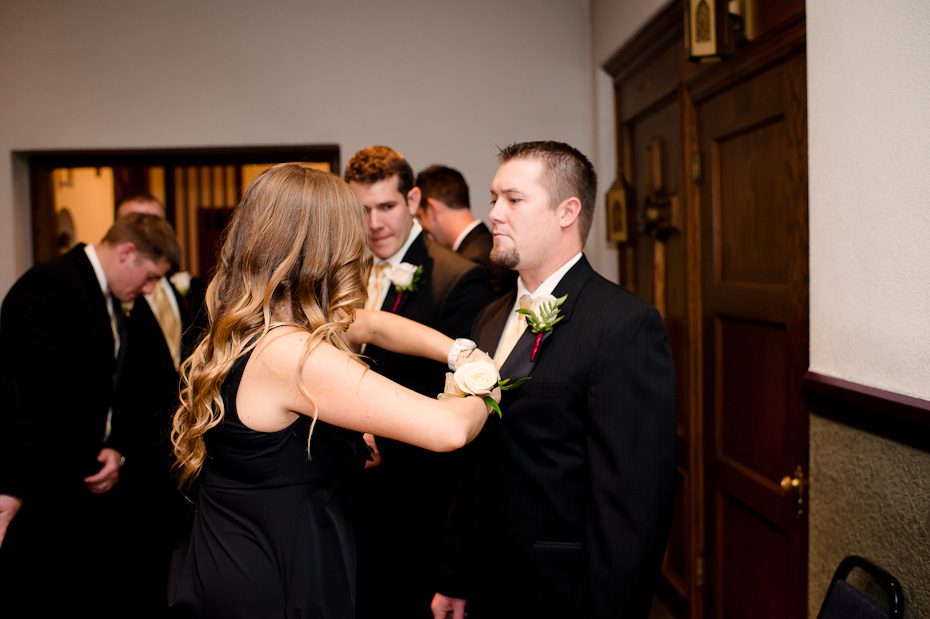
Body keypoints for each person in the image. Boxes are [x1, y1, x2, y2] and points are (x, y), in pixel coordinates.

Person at [167, 163, 497, 619]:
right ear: (323, 248)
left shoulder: (252, 320)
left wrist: (460, 353)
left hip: (235, 547)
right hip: (273, 569)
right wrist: (488, 382)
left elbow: (375, 324)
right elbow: (447, 431)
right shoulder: (294, 354)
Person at [432, 141, 677, 619]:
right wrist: (454, 577)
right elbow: (477, 468)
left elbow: (633, 506)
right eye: (493, 198)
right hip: (487, 584)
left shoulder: (624, 324)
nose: (494, 214)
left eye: (513, 200)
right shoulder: (489, 318)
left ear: (568, 211)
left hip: (564, 593)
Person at [0, 213, 180, 615]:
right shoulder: (47, 288)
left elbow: (126, 391)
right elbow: (35, 395)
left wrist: (118, 450)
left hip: (92, 480)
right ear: (127, 252)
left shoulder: (115, 297)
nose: (151, 289)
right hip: (48, 484)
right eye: (149, 277)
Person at [344, 147, 494, 619]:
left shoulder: (459, 278)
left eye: (386, 207)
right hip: (349, 492)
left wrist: (383, 439)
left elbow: (460, 395)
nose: (374, 224)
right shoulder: (346, 272)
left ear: (413, 200)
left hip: (417, 495)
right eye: (362, 210)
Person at [109, 194, 207, 614]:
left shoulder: (182, 287)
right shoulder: (116, 295)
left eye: (156, 224)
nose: (149, 233)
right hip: (133, 453)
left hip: (181, 449)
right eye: (137, 223)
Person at [415, 164, 516, 297]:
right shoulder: (485, 244)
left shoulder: (474, 261)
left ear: (432, 208)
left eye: (420, 217)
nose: (422, 226)